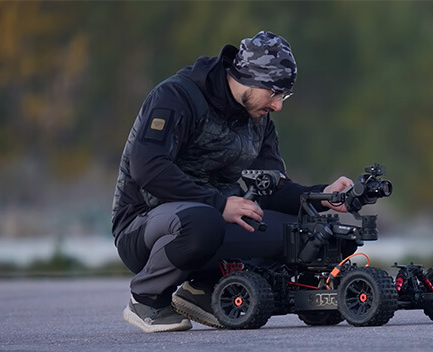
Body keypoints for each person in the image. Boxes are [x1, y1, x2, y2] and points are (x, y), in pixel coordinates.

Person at [111, 31, 355, 333]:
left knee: (316, 232)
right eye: (275, 93)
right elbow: (147, 168)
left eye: (284, 96)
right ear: (250, 79)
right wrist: (218, 204)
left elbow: (272, 187)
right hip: (145, 227)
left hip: (213, 220)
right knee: (204, 221)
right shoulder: (177, 97)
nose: (278, 105)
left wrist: (320, 195)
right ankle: (147, 298)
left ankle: (204, 291)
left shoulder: (258, 117)